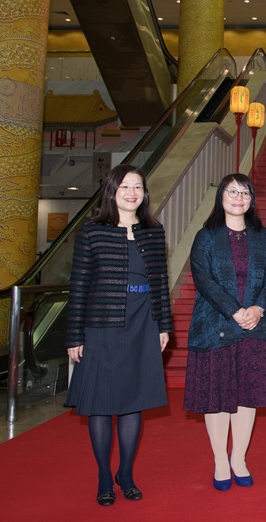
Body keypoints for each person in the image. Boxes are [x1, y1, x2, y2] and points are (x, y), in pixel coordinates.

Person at [65, 164, 172, 507]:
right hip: (102, 323)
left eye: (138, 187)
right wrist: (74, 336)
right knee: (100, 403)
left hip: (143, 320)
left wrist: (164, 325)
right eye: (124, 186)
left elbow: (160, 284)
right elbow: (78, 285)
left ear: (144, 193)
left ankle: (125, 473)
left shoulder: (154, 232)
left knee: (133, 400)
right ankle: (102, 475)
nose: (131, 192)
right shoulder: (92, 232)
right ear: (111, 191)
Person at [184, 174, 266, 490]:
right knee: (218, 396)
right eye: (232, 191)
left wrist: (258, 308)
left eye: (245, 191)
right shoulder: (206, 236)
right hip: (214, 325)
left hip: (254, 326)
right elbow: (203, 280)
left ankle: (239, 458)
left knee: (247, 394)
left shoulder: (265, 237)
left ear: (251, 199)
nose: (239, 197)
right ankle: (221, 460)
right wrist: (234, 311)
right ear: (221, 197)